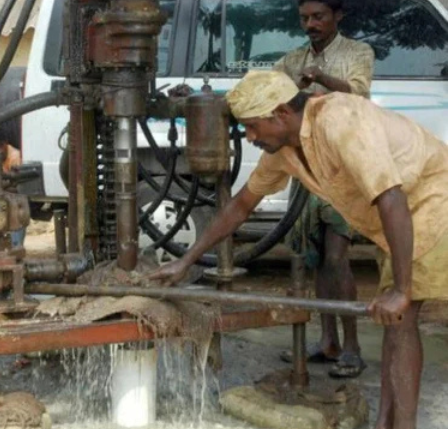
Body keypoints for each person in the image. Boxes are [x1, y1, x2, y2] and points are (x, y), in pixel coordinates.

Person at [149, 70, 448, 429]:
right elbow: (240, 206)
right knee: (394, 321)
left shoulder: (339, 120)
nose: (250, 136)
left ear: (281, 113)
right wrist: (186, 261)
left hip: (432, 202)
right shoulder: (284, 150)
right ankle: (387, 422)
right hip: (397, 223)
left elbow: (390, 195)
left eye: (253, 126)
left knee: (402, 317)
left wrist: (401, 289)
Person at [273, 0, 375, 378]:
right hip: (307, 167)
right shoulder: (292, 59)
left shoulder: (357, 52)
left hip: (341, 166)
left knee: (336, 257)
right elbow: (268, 89)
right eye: (304, 18)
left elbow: (358, 94)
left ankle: (352, 347)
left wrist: (320, 80)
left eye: (318, 17)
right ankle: (328, 340)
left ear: (338, 16)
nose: (310, 24)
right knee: (314, 258)